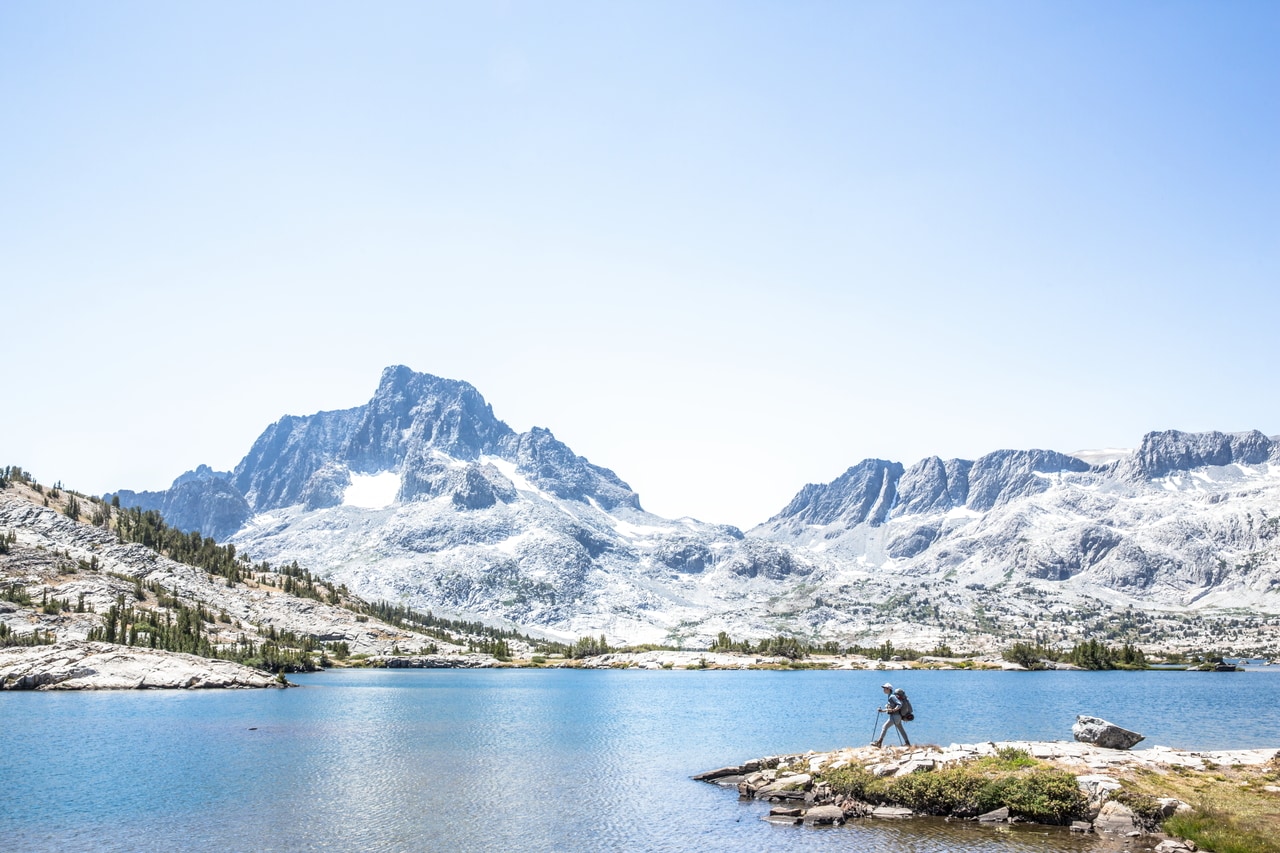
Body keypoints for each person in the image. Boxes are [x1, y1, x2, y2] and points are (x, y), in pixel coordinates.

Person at [871, 682, 910, 747]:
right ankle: (907, 743)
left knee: (884, 727)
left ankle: (879, 743)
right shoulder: (890, 696)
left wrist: (894, 710)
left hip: (895, 717)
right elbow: (890, 708)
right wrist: (882, 711)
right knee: (901, 729)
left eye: (885, 688)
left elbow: (899, 704)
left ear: (889, 689)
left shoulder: (892, 696)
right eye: (883, 688)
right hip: (898, 716)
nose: (883, 690)